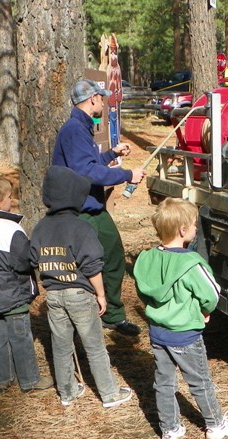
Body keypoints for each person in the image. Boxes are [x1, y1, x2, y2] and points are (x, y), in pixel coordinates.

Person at [133, 198, 228, 439]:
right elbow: (212, 293)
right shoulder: (191, 263)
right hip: (186, 335)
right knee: (200, 382)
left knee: (163, 382)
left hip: (158, 333)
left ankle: (169, 429)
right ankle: (215, 425)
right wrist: (204, 310)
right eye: (193, 224)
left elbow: (143, 291)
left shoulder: (146, 258)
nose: (195, 228)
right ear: (183, 230)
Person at [30, 165, 133, 408]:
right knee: (95, 346)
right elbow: (93, 267)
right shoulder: (81, 227)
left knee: (61, 345)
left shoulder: (40, 227)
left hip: (53, 296)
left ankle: (67, 392)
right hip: (81, 295)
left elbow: (32, 258)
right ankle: (109, 394)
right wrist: (101, 295)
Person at [52, 78, 145, 336]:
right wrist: (128, 175)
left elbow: (89, 162)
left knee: (114, 255)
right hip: (79, 210)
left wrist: (112, 154)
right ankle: (85, 319)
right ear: (92, 99)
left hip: (93, 206)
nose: (103, 101)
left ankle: (112, 316)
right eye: (101, 98)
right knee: (87, 266)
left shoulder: (83, 127)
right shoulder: (73, 129)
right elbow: (86, 172)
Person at [0, 175, 54, 395]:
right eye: (9, 197)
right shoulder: (10, 229)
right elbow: (23, 262)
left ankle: (2, 379)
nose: (11, 201)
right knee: (21, 336)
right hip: (12, 294)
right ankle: (30, 380)